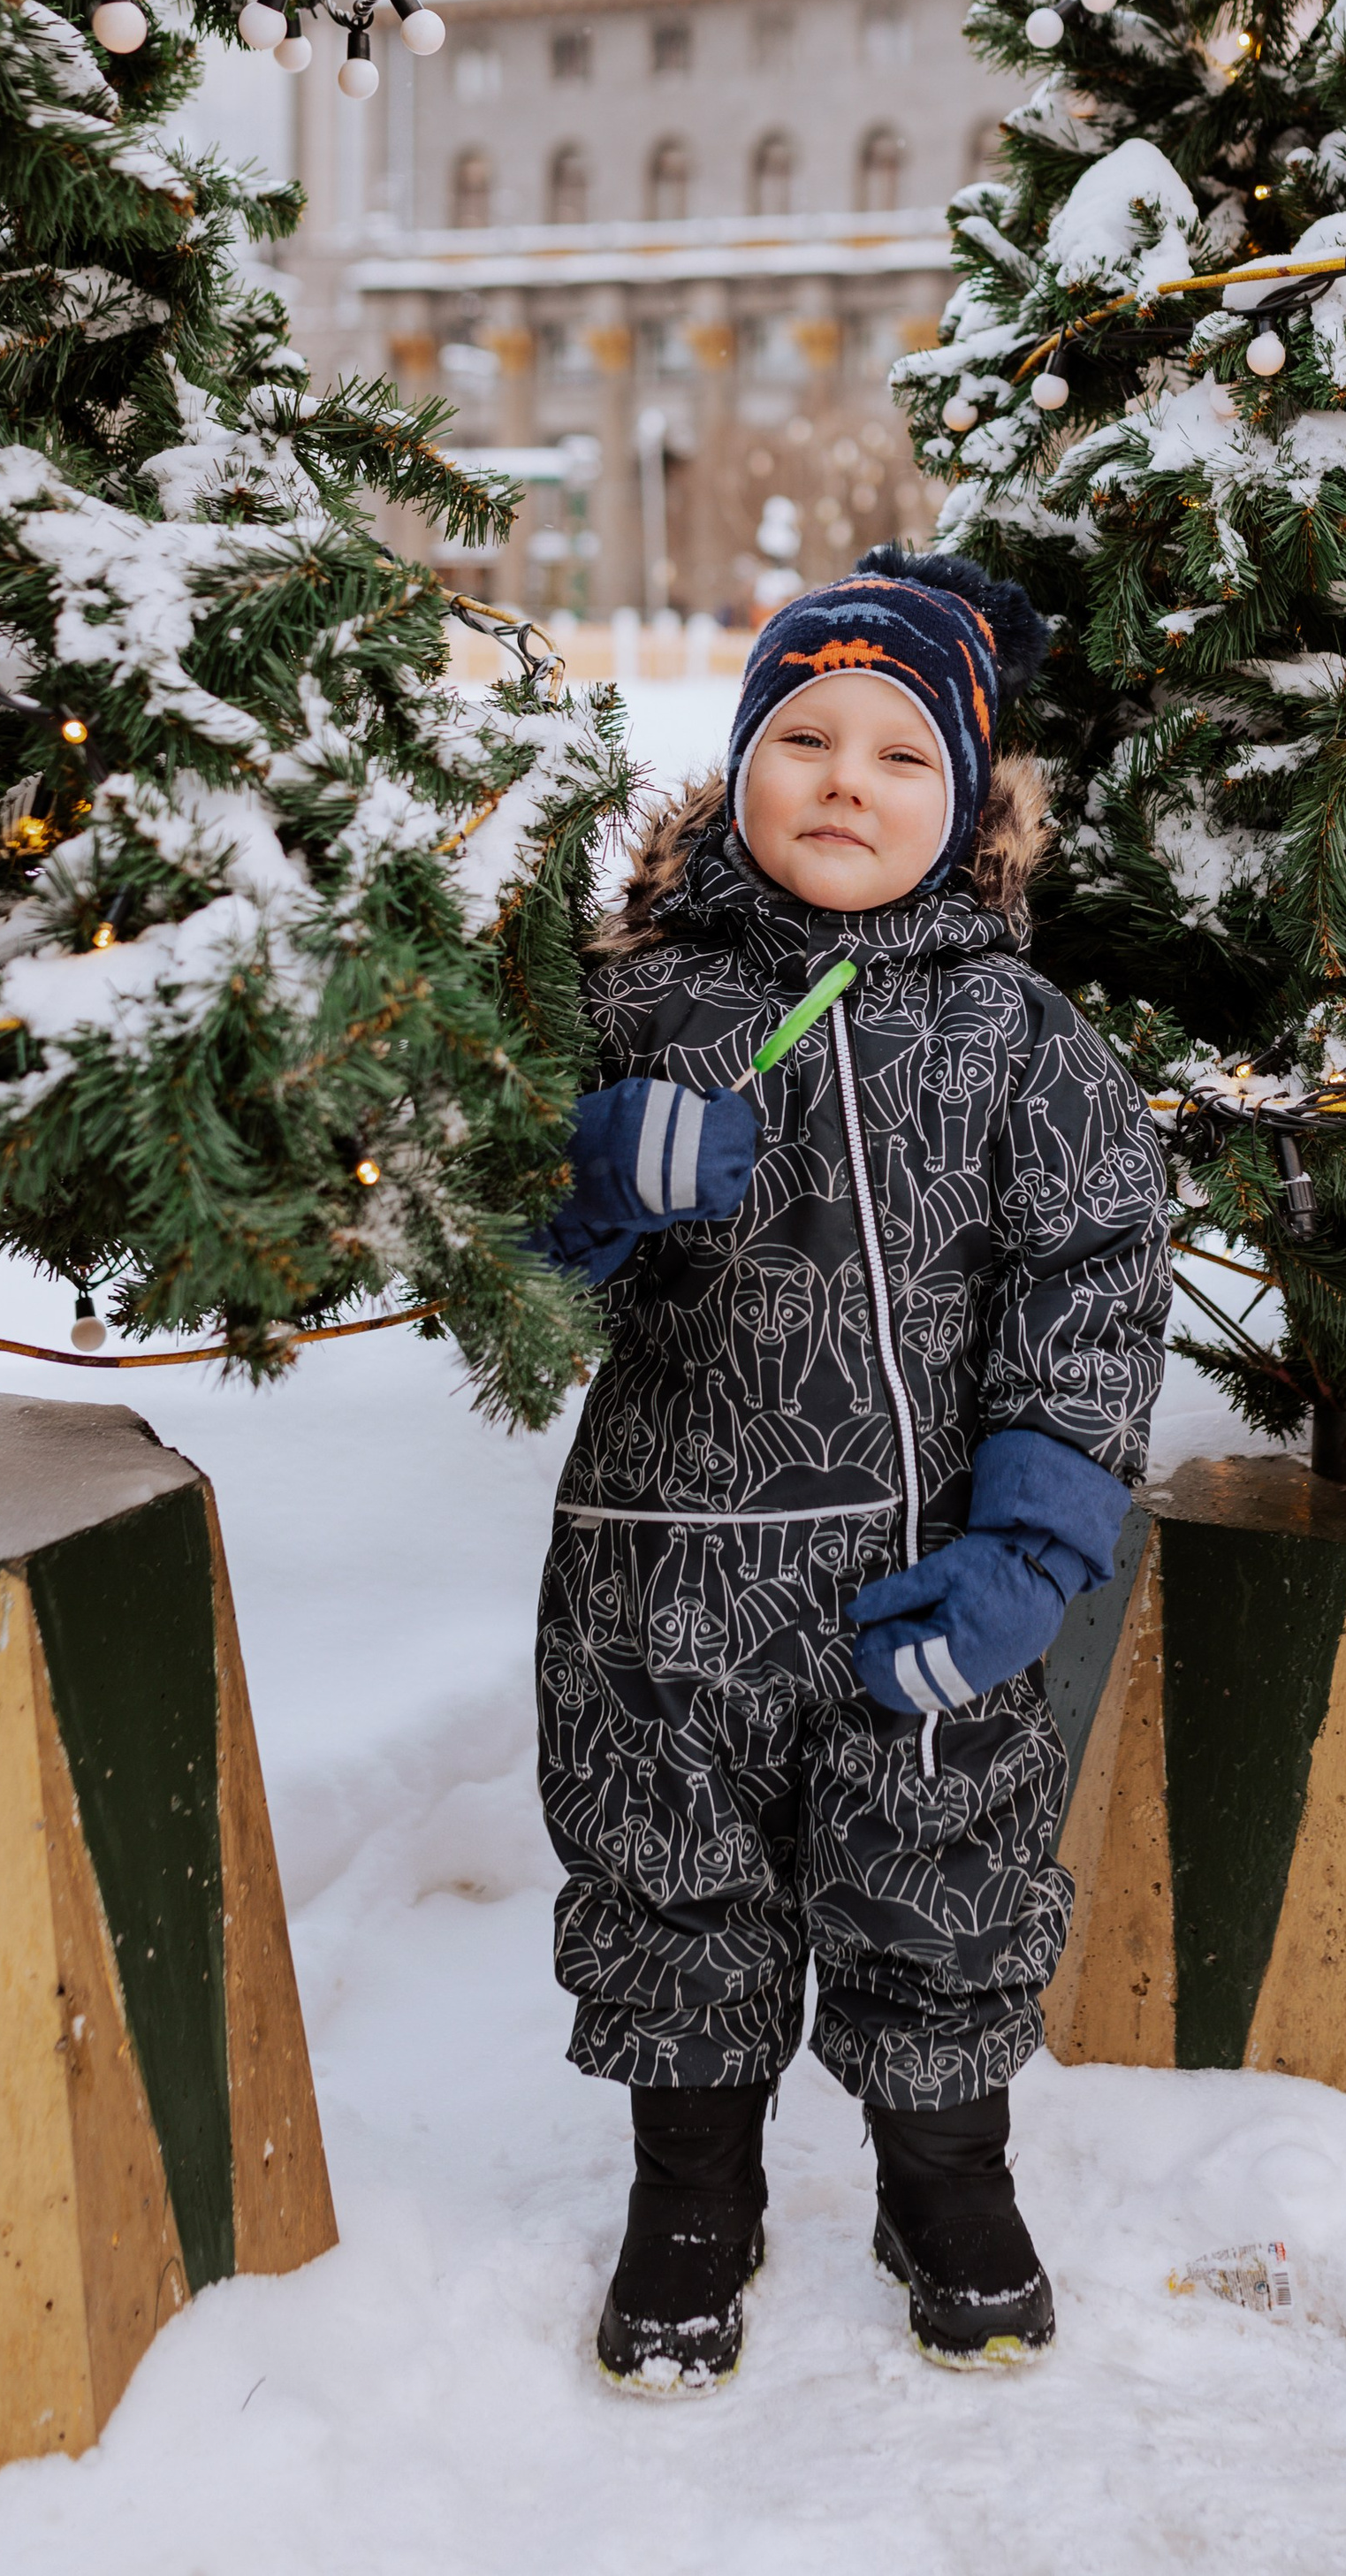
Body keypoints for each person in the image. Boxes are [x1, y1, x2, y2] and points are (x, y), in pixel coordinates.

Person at [536, 547, 1169, 2391]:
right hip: (661, 1578)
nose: (842, 777)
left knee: (942, 1882)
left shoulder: (1016, 1039)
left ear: (968, 804)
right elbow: (486, 1261)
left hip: (920, 1570)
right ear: (731, 774)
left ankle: (945, 2182)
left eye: (900, 756)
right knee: (669, 1888)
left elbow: (1096, 1293)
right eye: (798, 735)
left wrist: (1029, 1554)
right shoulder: (634, 1006)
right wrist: (590, 1180)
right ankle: (688, 2202)